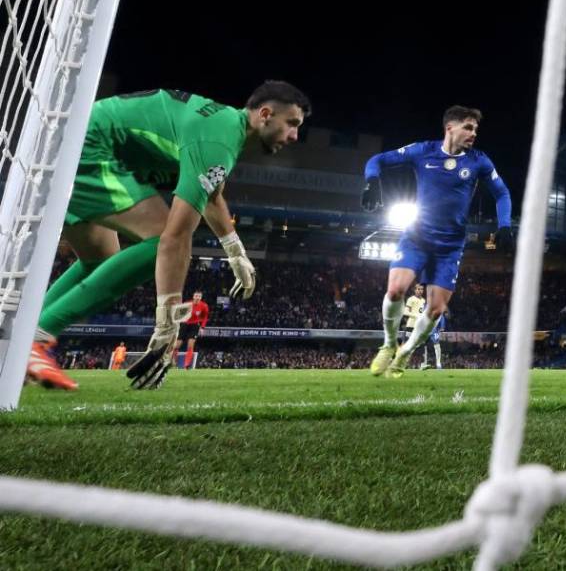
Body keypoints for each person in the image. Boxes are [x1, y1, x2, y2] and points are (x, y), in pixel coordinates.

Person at [26, 82, 310, 392]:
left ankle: (20, 335)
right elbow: (174, 239)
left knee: (102, 262)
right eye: (292, 123)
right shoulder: (220, 141)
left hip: (79, 141)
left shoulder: (224, 128)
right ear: (265, 115)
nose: (295, 135)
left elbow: (212, 196)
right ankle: (37, 338)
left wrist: (235, 251)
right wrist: (167, 323)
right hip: (91, 147)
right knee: (161, 237)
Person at [363, 106, 512, 378]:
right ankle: (387, 345)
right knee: (396, 290)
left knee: (436, 309)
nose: (473, 133)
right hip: (416, 237)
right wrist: (372, 182)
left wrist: (504, 225)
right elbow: (377, 160)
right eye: (468, 127)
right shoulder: (423, 151)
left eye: (476, 129)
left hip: (450, 246)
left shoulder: (479, 161)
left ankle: (406, 352)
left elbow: (502, 193)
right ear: (450, 128)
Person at [176, 290, 210, 370]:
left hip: (194, 326)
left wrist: (202, 327)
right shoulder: (187, 304)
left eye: (199, 296)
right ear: (193, 296)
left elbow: (205, 317)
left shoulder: (204, 306)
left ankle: (186, 365)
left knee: (190, 346)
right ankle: (173, 362)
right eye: (196, 296)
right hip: (185, 325)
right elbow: (179, 315)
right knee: (177, 345)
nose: (197, 298)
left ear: (201, 297)